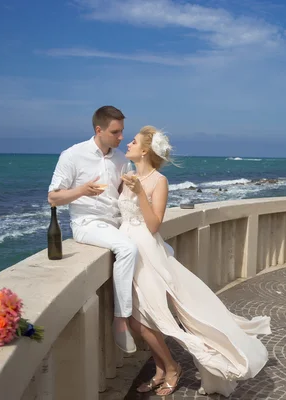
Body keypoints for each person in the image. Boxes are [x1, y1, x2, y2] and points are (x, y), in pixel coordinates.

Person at [118, 125, 272, 396]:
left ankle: (172, 367)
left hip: (147, 254)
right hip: (127, 250)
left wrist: (141, 192)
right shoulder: (126, 175)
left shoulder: (159, 181)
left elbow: (154, 225)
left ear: (144, 150)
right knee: (138, 319)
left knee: (146, 319)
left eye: (132, 141)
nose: (127, 143)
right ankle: (161, 369)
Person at [47, 105, 138, 353]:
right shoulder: (72, 155)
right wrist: (81, 191)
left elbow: (121, 195)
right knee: (127, 249)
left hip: (117, 221)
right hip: (87, 223)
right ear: (99, 130)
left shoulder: (121, 159)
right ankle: (121, 321)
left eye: (122, 132)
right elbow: (53, 198)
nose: (121, 138)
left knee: (158, 247)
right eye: (115, 132)